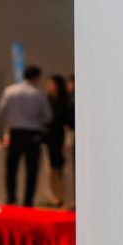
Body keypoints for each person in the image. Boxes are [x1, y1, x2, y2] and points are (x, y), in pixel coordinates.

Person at [0, 65, 52, 206]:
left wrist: (13, 120)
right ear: (37, 78)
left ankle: (11, 198)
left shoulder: (10, 91)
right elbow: (48, 116)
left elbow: (2, 112)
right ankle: (28, 201)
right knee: (32, 170)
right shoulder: (38, 94)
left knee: (12, 168)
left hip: (16, 133)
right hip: (33, 134)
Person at [45, 74, 71, 207]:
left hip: (60, 136)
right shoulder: (47, 100)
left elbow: (67, 122)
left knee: (60, 168)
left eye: (51, 84)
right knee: (53, 168)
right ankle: (56, 195)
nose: (48, 87)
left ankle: (63, 195)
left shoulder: (64, 101)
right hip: (50, 137)